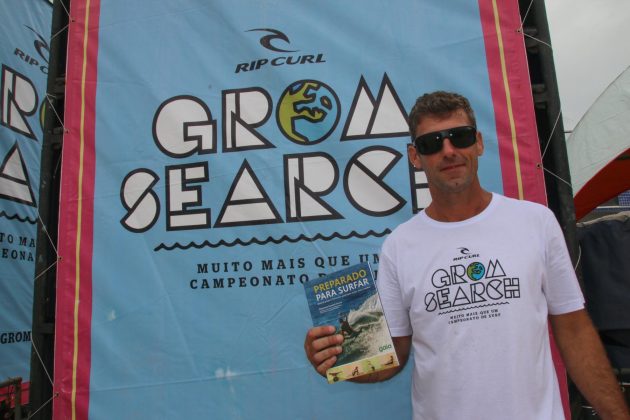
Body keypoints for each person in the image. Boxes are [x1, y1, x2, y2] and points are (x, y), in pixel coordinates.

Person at [304, 91, 630, 420]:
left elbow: (574, 329)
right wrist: (339, 359)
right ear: (415, 156)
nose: (449, 151)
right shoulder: (399, 247)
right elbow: (396, 354)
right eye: (432, 143)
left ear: (478, 143)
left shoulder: (536, 221)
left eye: (459, 137)